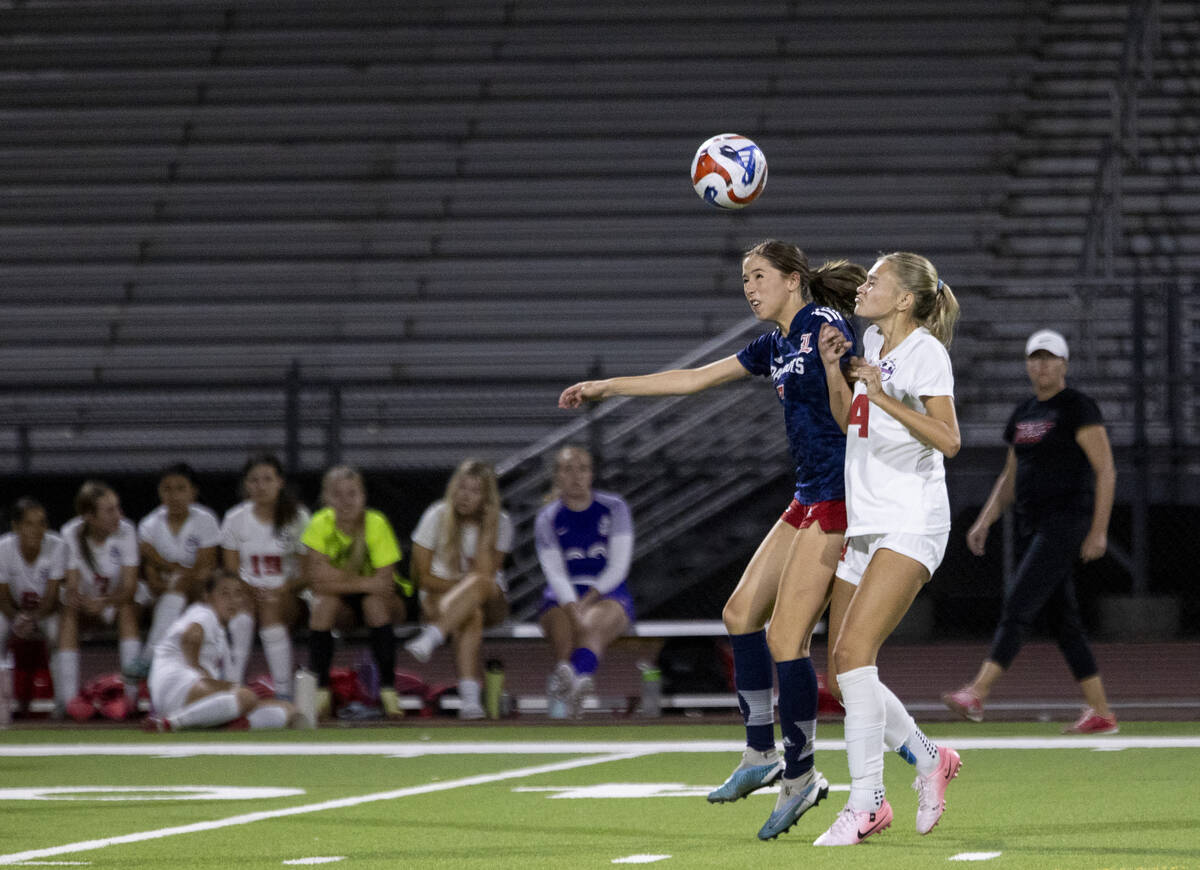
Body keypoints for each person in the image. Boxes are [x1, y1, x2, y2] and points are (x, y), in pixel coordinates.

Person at [559, 240, 873, 840]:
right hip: (807, 496)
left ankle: (802, 776)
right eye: (744, 279)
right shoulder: (776, 343)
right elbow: (693, 379)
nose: (749, 288)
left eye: (758, 276)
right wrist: (606, 387)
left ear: (791, 279)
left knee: (788, 638)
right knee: (738, 614)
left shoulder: (822, 324)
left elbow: (849, 419)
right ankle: (761, 755)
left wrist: (838, 368)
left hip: (839, 498)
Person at [812, 251, 964, 846]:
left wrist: (883, 395)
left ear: (905, 298)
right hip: (868, 518)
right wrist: (836, 373)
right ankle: (928, 758)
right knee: (842, 667)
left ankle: (868, 801)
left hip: (911, 518)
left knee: (854, 651)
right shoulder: (871, 339)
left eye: (876, 280)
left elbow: (949, 439)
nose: (864, 286)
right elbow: (851, 420)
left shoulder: (926, 351)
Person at [943, 329, 1119, 734]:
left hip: (1065, 521)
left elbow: (1106, 469)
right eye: (1035, 358)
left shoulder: (1077, 406)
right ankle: (1101, 712)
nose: (1042, 365)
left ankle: (978, 692)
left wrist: (1098, 530)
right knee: (1063, 621)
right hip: (1029, 523)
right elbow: (1010, 474)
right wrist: (985, 519)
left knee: (1019, 602)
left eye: (1050, 357)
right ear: (1027, 364)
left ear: (1064, 364)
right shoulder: (1023, 412)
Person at [403, 459, 514, 720]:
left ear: (487, 497)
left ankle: (434, 634)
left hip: (491, 600)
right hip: (438, 597)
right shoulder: (436, 515)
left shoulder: (501, 522)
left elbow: (487, 576)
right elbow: (422, 577)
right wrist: (462, 590)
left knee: (481, 584)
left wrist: (487, 530)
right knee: (470, 613)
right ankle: (470, 701)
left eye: (475, 491)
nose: (465, 496)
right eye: (461, 488)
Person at [530, 445, 634, 721]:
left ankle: (569, 677)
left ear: (592, 474)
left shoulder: (614, 507)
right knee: (565, 628)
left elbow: (618, 566)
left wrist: (587, 600)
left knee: (590, 625)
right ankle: (574, 680)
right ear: (557, 476)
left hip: (607, 590)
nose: (576, 476)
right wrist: (571, 603)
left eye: (583, 469)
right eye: (568, 469)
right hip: (562, 592)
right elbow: (554, 571)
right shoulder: (548, 517)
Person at [302, 465, 404, 719]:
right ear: (327, 498)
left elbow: (385, 584)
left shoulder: (375, 523)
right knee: (323, 603)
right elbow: (316, 584)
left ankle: (388, 690)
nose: (346, 501)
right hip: (342, 607)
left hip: (387, 603)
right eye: (338, 495)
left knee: (373, 604)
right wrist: (364, 581)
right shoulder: (319, 524)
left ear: (363, 496)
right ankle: (321, 691)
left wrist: (338, 577)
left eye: (352, 494)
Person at [145, 571, 302, 731]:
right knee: (246, 696)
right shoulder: (205, 613)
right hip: (176, 686)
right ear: (207, 596)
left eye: (238, 594)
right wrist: (199, 671)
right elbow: (191, 636)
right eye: (225, 594)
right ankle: (170, 723)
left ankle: (230, 723)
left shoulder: (219, 628)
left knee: (287, 709)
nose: (232, 600)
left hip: (182, 692)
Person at [220, 452, 311, 699]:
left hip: (289, 596)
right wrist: (247, 590)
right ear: (246, 485)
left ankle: (284, 693)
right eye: (254, 480)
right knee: (241, 612)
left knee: (270, 606)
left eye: (267, 479)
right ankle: (232, 689)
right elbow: (230, 573)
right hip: (246, 594)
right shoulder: (234, 518)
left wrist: (282, 589)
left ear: (280, 482)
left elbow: (308, 574)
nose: (260, 486)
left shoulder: (298, 517)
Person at [60, 481, 143, 715]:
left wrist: (105, 602)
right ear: (89, 516)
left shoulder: (126, 530)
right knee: (68, 612)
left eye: (118, 507)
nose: (119, 514)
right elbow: (72, 584)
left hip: (116, 602)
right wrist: (84, 601)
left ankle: (131, 698)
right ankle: (69, 703)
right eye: (109, 510)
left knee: (128, 609)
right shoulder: (70, 533)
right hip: (87, 604)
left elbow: (129, 587)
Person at [131, 463, 221, 676]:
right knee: (171, 591)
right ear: (160, 492)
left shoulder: (206, 519)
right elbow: (152, 582)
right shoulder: (149, 525)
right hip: (162, 594)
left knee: (183, 584)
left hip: (199, 592)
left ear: (193, 492)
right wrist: (179, 577)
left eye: (181, 488)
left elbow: (206, 569)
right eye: (167, 489)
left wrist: (168, 567)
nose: (174, 495)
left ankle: (149, 657)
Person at [0, 498, 72, 717]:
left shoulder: (57, 545)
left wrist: (32, 619)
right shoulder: (3, 548)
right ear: (16, 527)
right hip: (12, 611)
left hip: (45, 612)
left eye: (41, 523)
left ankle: (63, 703)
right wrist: (16, 619)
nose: (37, 529)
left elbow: (51, 597)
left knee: (56, 630)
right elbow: (2, 598)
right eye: (29, 523)